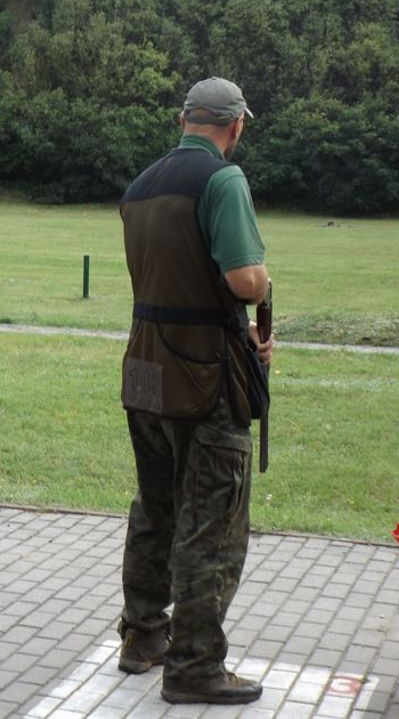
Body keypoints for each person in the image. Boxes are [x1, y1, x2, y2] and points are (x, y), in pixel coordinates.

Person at [115, 77, 275, 705]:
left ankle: (143, 638)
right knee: (212, 523)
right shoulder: (223, 181)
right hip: (204, 376)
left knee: (155, 509)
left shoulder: (141, 186)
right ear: (235, 127)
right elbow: (241, 278)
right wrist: (260, 288)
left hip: (145, 369)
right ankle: (195, 666)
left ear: (184, 120)